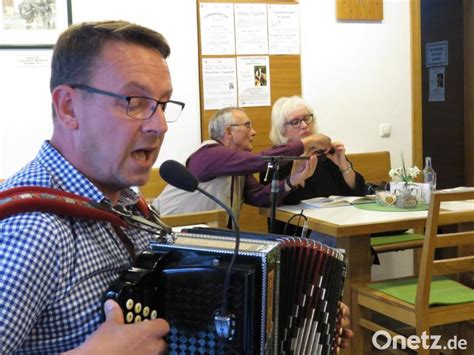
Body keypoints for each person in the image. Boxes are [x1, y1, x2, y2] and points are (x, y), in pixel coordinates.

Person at [0, 20, 177, 354]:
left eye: (163, 104)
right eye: (135, 101)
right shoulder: (33, 229)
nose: (160, 125)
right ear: (69, 107)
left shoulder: (127, 202)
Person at [153, 106, 331, 224]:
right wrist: (307, 142)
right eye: (247, 126)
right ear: (229, 131)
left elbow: (259, 196)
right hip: (168, 229)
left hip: (203, 236)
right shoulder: (211, 154)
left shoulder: (236, 164)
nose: (253, 132)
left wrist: (293, 180)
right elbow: (260, 161)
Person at [265, 96, 366, 238]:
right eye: (295, 122)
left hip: (338, 224)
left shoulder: (326, 152)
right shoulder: (276, 160)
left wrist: (343, 165)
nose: (305, 125)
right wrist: (298, 170)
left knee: (357, 237)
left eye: (307, 118)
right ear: (282, 131)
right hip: (298, 233)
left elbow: (358, 191)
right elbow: (285, 202)